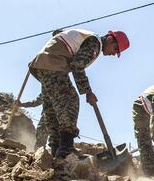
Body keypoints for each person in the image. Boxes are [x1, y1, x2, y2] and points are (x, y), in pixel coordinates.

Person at [28, 28, 130, 159]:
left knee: (52, 109)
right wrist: (88, 92)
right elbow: (77, 65)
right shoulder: (95, 43)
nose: (113, 54)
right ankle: (65, 151)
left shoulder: (87, 37)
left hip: (41, 65)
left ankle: (56, 151)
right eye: (115, 49)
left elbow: (60, 33)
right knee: (70, 101)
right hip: (53, 64)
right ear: (110, 39)